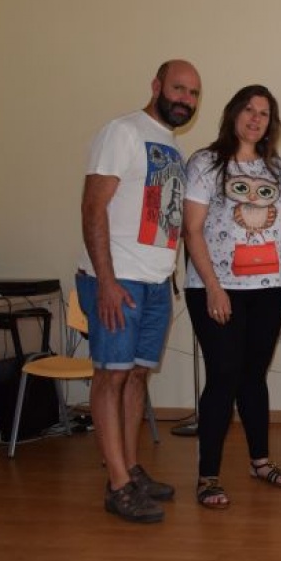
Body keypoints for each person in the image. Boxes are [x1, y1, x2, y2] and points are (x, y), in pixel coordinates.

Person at [77, 59, 201, 523]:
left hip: (154, 281)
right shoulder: (122, 132)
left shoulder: (170, 145)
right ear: (156, 86)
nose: (185, 99)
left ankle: (130, 467)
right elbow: (93, 208)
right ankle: (117, 485)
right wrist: (106, 281)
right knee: (110, 375)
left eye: (193, 94)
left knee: (135, 377)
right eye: (179, 88)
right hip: (117, 279)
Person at [183, 84, 281, 510]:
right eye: (249, 109)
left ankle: (260, 461)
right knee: (224, 374)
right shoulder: (207, 163)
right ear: (233, 113)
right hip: (217, 289)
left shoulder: (277, 167)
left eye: (265, 113)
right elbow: (192, 229)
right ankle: (208, 475)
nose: (255, 118)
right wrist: (213, 287)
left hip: (268, 289)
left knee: (253, 376)